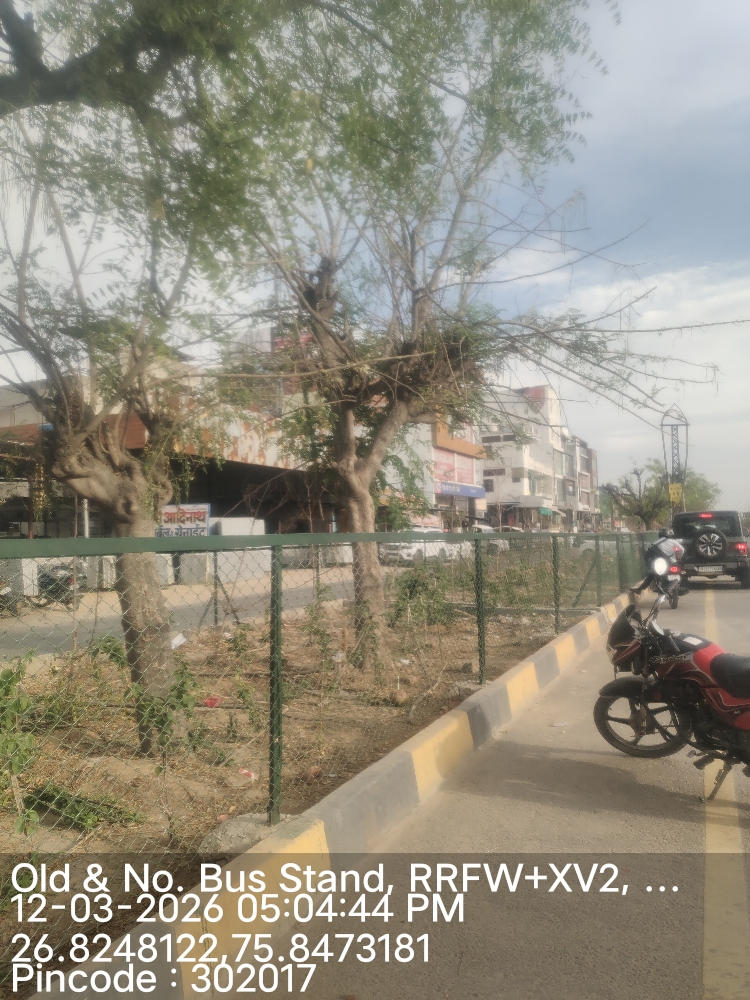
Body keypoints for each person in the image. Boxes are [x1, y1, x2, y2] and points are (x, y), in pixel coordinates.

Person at [629, 528, 685, 597]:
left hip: (662, 565)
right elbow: (682, 549)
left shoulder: (656, 543)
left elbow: (649, 555)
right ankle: (671, 588)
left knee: (652, 575)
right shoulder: (673, 541)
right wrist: (679, 557)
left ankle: (640, 589)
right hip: (673, 563)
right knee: (678, 574)